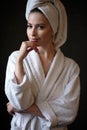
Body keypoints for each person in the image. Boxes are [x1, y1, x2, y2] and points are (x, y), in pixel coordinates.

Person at [4, 0, 80, 130]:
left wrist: (22, 108)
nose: (32, 33)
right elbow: (21, 102)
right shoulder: (16, 59)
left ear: (53, 29)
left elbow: (69, 112)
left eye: (40, 27)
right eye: (29, 25)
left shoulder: (70, 67)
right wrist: (19, 63)